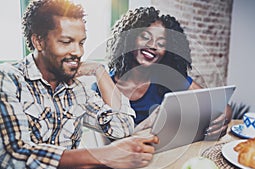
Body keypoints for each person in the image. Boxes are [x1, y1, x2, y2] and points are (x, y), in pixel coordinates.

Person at [0, 1, 158, 169]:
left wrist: (99, 71)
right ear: (39, 42)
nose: (78, 52)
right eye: (66, 42)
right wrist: (105, 155)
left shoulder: (76, 88)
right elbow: (17, 155)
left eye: (81, 42)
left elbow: (122, 128)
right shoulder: (8, 79)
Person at [92, 6, 232, 139]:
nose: (153, 46)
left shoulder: (169, 79)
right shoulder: (101, 86)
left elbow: (220, 106)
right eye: (145, 37)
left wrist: (224, 118)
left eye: (161, 43)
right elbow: (106, 144)